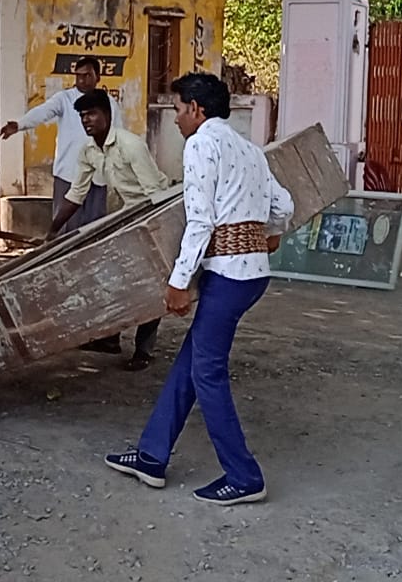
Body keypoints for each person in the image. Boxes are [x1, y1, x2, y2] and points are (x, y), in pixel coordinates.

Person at [104, 72, 293, 506]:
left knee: (208, 373)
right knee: (193, 362)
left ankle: (244, 476)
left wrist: (178, 282)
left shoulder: (202, 144)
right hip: (251, 275)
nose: (175, 119)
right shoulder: (248, 149)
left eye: (177, 109)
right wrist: (272, 233)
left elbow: (201, 221)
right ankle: (152, 455)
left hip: (226, 275)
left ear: (196, 109)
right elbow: (283, 205)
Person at [48, 89, 171, 371]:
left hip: (152, 216)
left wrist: (151, 233)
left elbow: (155, 194)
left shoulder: (131, 146)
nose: (86, 120)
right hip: (126, 218)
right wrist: (52, 231)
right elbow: (76, 194)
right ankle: (110, 338)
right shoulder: (89, 150)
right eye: (82, 116)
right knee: (114, 278)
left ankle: (144, 350)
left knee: (151, 285)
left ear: (108, 115)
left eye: (92, 114)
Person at [0, 56, 120, 235]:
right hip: (69, 174)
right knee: (65, 229)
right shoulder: (64, 99)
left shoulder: (109, 103)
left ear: (98, 77)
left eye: (87, 75)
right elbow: (43, 112)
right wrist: (19, 125)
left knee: (95, 229)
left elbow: (118, 135)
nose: (82, 80)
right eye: (78, 76)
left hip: (97, 176)